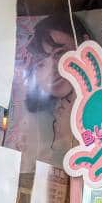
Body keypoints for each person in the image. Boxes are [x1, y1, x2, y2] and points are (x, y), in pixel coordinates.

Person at [6, 13, 90, 172]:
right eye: (40, 64)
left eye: (60, 54)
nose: (54, 70)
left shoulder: (100, 112)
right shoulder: (34, 115)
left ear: (85, 45)